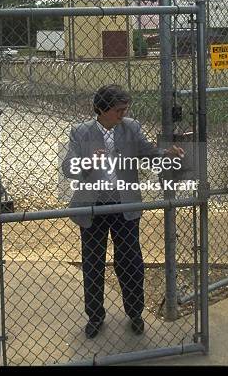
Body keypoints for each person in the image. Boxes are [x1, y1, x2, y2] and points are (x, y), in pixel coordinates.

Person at [61, 84, 184, 339]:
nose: (123, 113)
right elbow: (68, 168)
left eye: (125, 109)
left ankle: (135, 312)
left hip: (124, 205)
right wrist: (87, 162)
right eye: (118, 110)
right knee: (93, 263)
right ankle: (95, 315)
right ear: (101, 109)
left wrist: (166, 154)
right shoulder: (80, 132)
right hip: (93, 207)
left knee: (130, 261)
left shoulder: (131, 127)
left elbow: (148, 154)